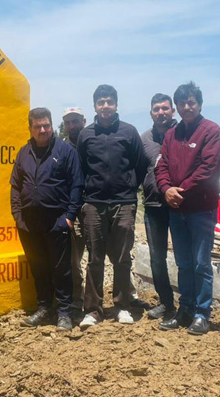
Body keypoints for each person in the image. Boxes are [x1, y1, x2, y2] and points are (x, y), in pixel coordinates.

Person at [154, 82, 220, 335]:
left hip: (201, 209)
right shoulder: (172, 135)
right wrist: (166, 189)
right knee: (183, 263)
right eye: (182, 103)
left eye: (191, 102)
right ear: (177, 107)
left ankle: (202, 313)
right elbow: (160, 166)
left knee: (200, 263)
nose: (187, 107)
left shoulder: (211, 132)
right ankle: (185, 310)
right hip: (176, 209)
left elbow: (208, 169)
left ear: (200, 104)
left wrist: (179, 191)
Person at [77, 85, 149, 327]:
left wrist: (129, 189)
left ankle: (122, 306)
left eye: (109, 102)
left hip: (123, 203)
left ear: (116, 104)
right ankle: (93, 311)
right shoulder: (86, 135)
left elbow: (140, 166)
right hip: (94, 204)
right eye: (101, 102)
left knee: (121, 258)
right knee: (95, 259)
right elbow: (81, 169)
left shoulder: (129, 132)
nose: (105, 106)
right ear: (95, 106)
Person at [10, 108, 84, 331]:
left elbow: (77, 184)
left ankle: (64, 312)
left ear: (52, 126)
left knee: (62, 269)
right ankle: (43, 308)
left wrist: (69, 217)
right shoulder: (24, 153)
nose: (43, 130)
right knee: (38, 267)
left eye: (46, 125)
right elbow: (15, 186)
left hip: (57, 220)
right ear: (30, 128)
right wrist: (17, 216)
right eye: (38, 126)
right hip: (30, 224)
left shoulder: (65, 151)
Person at [140, 93, 178, 321]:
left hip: (182, 206)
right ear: (151, 113)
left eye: (165, 108)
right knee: (157, 257)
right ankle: (166, 302)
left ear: (172, 111)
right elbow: (137, 170)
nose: (161, 112)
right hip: (153, 205)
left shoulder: (183, 134)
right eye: (157, 109)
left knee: (186, 257)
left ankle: (190, 304)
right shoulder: (144, 139)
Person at [61, 107, 87, 316]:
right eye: (68, 122)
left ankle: (126, 296)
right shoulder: (61, 149)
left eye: (75, 121)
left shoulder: (92, 142)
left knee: (107, 254)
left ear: (83, 121)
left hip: (93, 206)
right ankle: (78, 298)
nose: (72, 126)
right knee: (73, 257)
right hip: (72, 208)